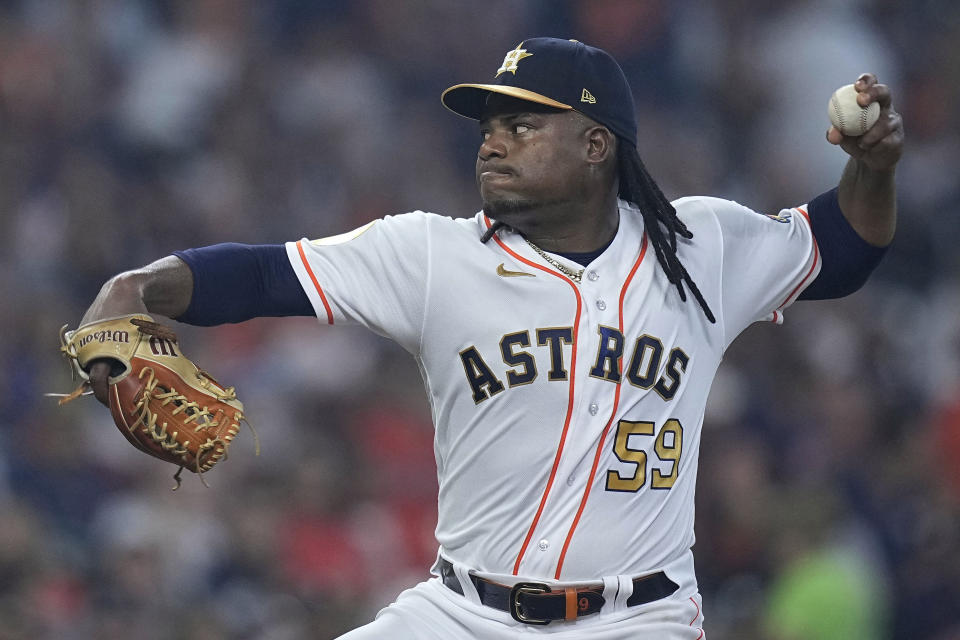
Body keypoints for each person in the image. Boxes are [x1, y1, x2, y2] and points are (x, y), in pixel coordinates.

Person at [76, 38, 903, 638]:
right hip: (461, 612)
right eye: (489, 124)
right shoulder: (433, 255)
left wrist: (872, 167)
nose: (492, 139)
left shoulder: (700, 247)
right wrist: (135, 288)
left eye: (521, 123)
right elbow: (260, 274)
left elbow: (845, 249)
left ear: (595, 145)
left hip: (636, 618)